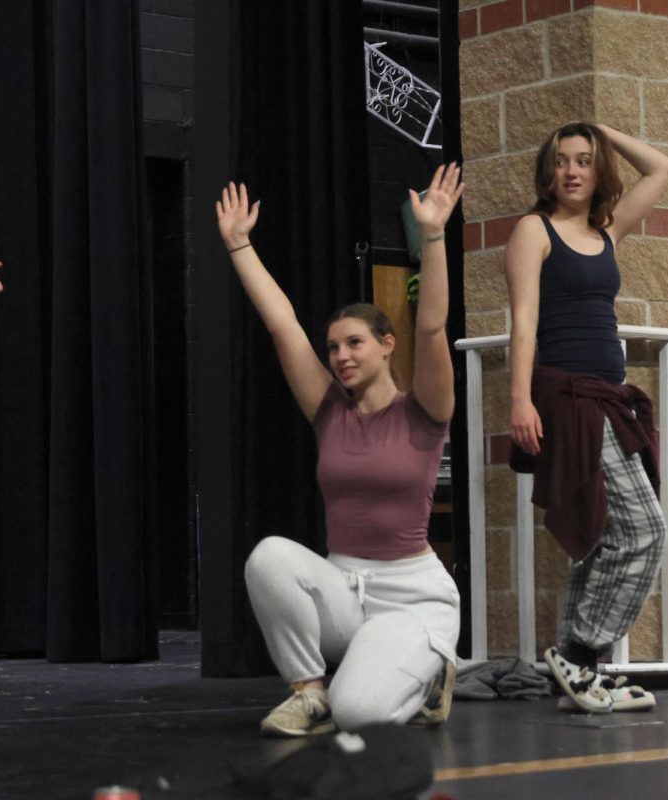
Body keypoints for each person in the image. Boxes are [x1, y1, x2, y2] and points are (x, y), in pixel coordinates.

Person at [224, 165, 464, 736]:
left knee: (363, 713)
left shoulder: (424, 412)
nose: (340, 356)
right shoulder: (329, 410)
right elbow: (282, 324)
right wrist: (239, 245)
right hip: (345, 592)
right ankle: (309, 693)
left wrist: (432, 237)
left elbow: (431, 328)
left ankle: (429, 671)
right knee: (269, 557)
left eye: (354, 343)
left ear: (385, 345)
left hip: (411, 599)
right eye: (333, 347)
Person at [506, 122, 668, 714]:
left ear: (598, 170)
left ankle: (583, 673)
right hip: (565, 394)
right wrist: (519, 399)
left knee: (602, 532)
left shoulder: (605, 231)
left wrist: (601, 130)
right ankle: (580, 652)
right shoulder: (534, 230)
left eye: (583, 161)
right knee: (646, 528)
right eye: (561, 162)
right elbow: (524, 320)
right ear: (547, 173)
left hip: (608, 395)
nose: (572, 172)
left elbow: (662, 169)